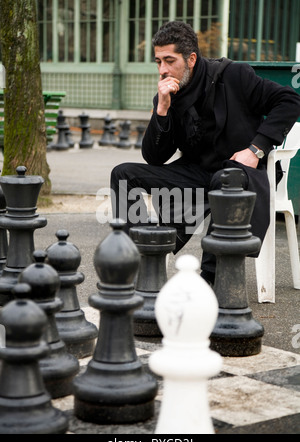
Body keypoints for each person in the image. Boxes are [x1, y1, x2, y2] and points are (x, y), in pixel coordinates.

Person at [110, 21, 300, 285]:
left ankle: (212, 279)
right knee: (123, 174)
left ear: (191, 59)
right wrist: (162, 110)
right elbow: (154, 158)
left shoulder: (234, 75)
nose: (163, 70)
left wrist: (255, 149)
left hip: (242, 171)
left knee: (228, 178)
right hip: (197, 172)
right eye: (158, 62)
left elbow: (289, 100)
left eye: (169, 60)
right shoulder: (168, 96)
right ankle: (142, 259)